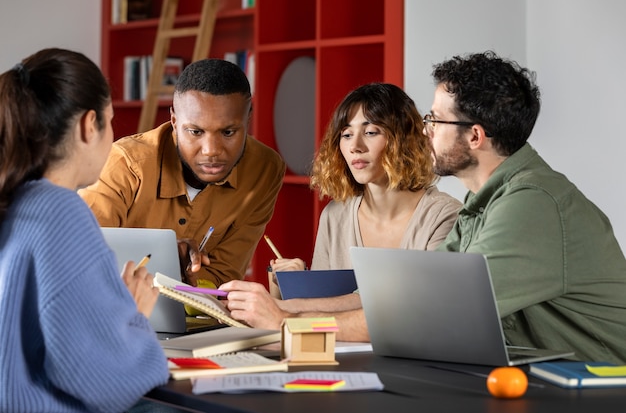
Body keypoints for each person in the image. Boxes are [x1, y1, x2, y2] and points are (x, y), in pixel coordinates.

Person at [425, 51, 626, 363]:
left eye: (435, 120)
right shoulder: (485, 201)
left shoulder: (532, 202)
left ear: (475, 136)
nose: (426, 130)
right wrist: (322, 308)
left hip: (603, 392)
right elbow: (423, 287)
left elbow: (443, 310)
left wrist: (325, 325)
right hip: (542, 382)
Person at [220, 83, 461, 341]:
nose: (355, 146)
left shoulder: (444, 217)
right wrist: (291, 286)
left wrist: (282, 311)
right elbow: (323, 311)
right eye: (346, 135)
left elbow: (407, 313)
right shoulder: (334, 216)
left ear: (405, 139)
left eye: (371, 132)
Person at [0, 48, 169, 412]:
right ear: (88, 125)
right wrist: (133, 315)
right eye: (110, 122)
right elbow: (107, 378)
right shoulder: (60, 211)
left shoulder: (12, 200)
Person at [79, 58, 286, 291]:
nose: (211, 150)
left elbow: (223, 278)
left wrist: (185, 273)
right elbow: (80, 257)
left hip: (200, 323)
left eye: (228, 132)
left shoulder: (265, 170)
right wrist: (163, 258)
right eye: (195, 131)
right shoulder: (124, 163)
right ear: (174, 121)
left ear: (248, 120)